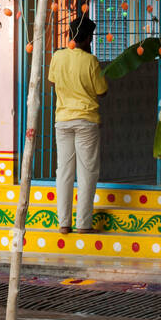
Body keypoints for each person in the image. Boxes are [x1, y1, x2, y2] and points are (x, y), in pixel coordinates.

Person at [48, 16, 107, 234]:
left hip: (62, 120)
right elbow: (102, 91)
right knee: (87, 172)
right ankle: (83, 224)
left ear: (70, 35)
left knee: (63, 171)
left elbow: (52, 81)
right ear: (89, 37)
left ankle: (63, 223)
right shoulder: (91, 61)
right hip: (86, 121)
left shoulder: (57, 56)